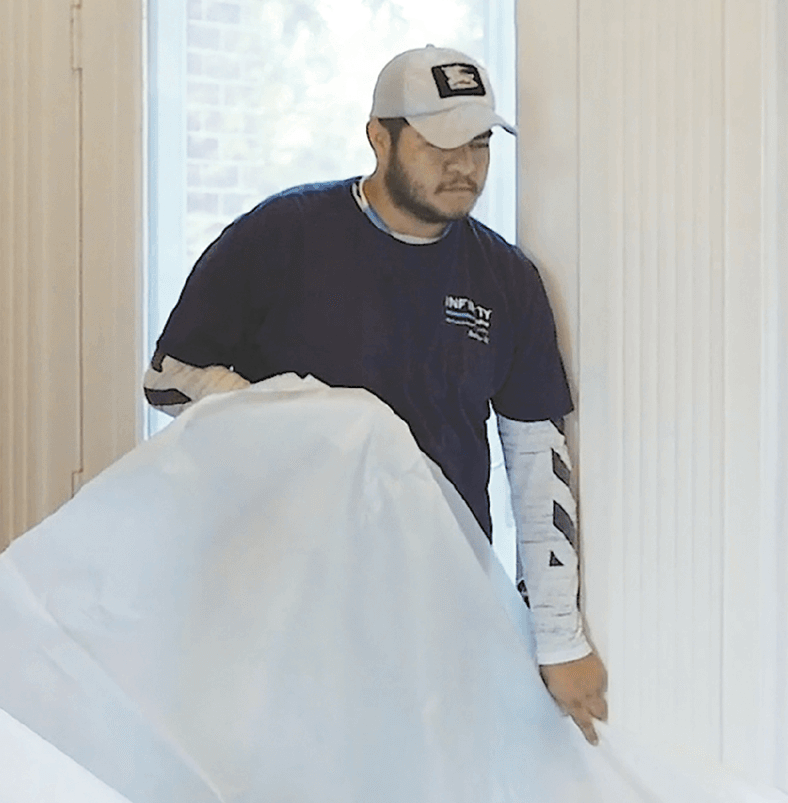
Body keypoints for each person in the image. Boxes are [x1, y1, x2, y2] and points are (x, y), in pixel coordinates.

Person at [144, 45, 608, 743]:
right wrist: (308, 421)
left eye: (481, 144)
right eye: (441, 143)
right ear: (379, 137)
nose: (466, 166)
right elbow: (169, 376)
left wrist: (558, 638)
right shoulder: (282, 238)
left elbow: (538, 460)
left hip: (437, 602)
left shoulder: (505, 280)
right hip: (282, 599)